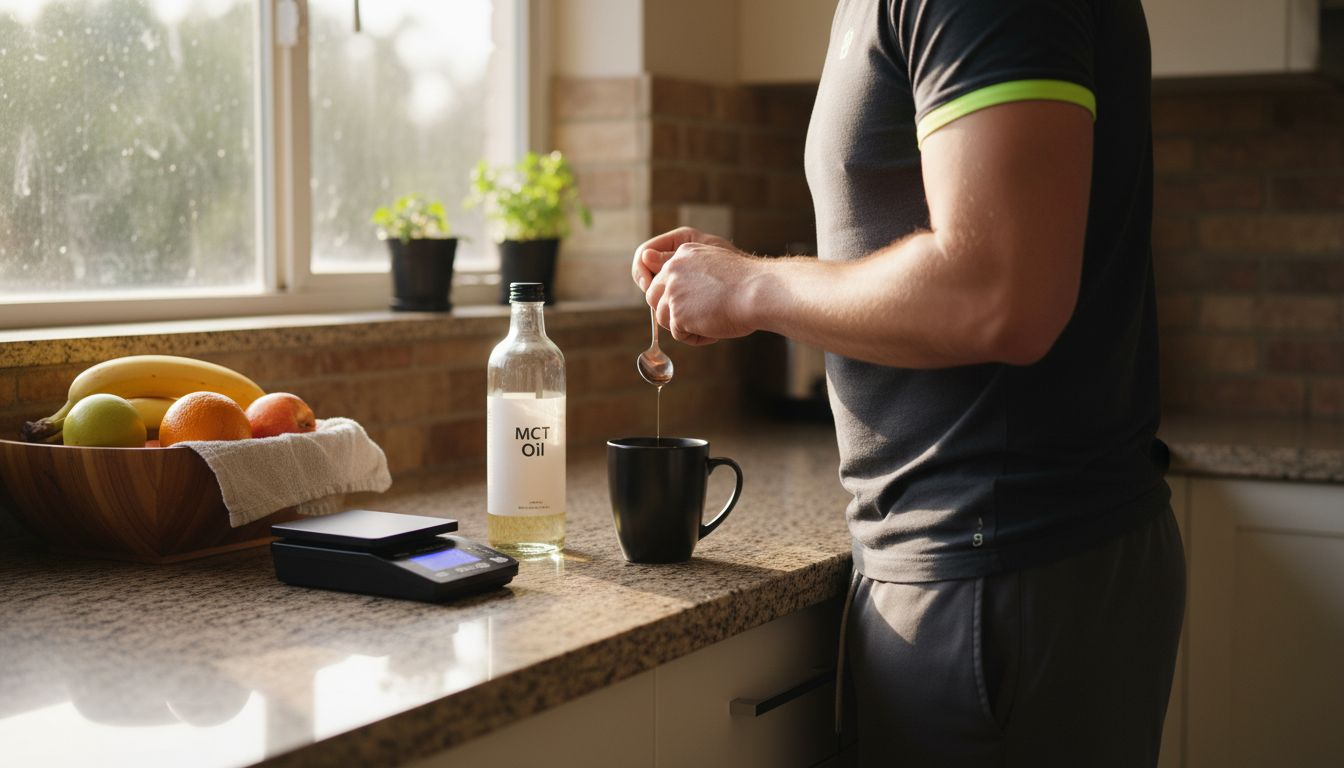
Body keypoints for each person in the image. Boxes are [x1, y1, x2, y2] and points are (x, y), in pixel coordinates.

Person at [631, 1, 1184, 766]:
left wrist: (752, 289)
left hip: (1003, 569)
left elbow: (1000, 292)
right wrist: (736, 275)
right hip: (981, 566)